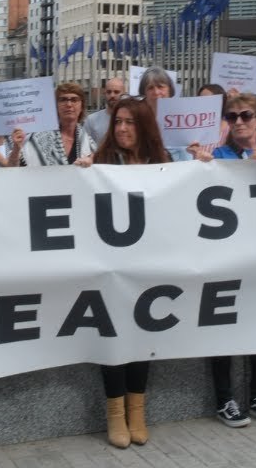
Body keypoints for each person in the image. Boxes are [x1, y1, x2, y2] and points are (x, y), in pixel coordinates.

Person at [77, 97, 169, 448]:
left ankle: (137, 411)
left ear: (143, 126)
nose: (122, 128)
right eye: (118, 122)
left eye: (130, 122)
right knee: (113, 340)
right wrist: (82, 173)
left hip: (148, 270)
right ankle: (115, 414)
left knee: (142, 340)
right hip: (111, 271)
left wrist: (203, 167)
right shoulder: (101, 163)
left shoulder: (163, 163)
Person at [199, 94, 256, 427]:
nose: (239, 122)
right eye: (232, 118)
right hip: (226, 256)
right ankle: (224, 399)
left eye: (246, 115)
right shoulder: (217, 156)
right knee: (224, 329)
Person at [3, 83, 97, 167]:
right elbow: (12, 168)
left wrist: (90, 164)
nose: (69, 104)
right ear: (55, 106)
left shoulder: (87, 142)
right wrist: (16, 148)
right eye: (63, 100)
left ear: (82, 106)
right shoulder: (38, 137)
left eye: (74, 100)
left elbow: (98, 172)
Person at [84, 77, 125, 146]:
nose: (112, 95)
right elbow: (86, 148)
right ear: (104, 93)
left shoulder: (132, 119)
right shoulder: (91, 120)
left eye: (116, 92)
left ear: (124, 93)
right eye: (109, 92)